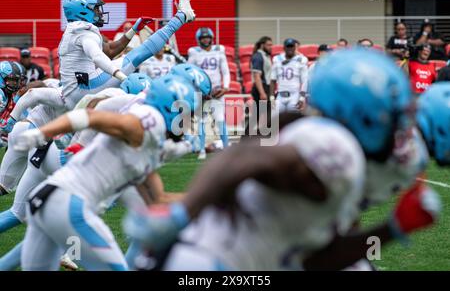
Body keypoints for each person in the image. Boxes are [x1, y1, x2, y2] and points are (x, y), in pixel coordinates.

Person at [124, 49, 439, 271]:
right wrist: (183, 211)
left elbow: (318, 260)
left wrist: (392, 228)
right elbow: (251, 159)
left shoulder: (315, 133)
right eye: (391, 112)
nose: (397, 124)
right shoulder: (337, 148)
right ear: (359, 112)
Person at [12, 74, 198, 271]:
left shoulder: (151, 145)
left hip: (45, 201)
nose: (190, 120)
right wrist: (42, 133)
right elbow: (91, 116)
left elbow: (158, 198)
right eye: (188, 114)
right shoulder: (151, 123)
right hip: (69, 204)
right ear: (172, 109)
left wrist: (213, 199)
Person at [59, 0, 194, 110]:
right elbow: (97, 57)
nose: (99, 12)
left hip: (73, 92)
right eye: (95, 8)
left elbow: (110, 50)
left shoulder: (73, 31)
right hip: (85, 88)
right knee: (139, 56)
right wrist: (122, 77)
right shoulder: (85, 32)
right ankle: (181, 16)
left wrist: (133, 30)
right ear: (83, 10)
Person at [187, 27, 230, 159]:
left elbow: (225, 71)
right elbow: (189, 74)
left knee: (221, 120)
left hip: (217, 91)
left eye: (207, 37)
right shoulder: (194, 53)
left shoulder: (219, 51)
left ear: (211, 38)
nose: (206, 40)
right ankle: (202, 150)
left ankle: (227, 149)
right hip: (201, 92)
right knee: (202, 121)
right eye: (203, 38)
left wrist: (226, 87)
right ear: (199, 40)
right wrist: (198, 90)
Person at [270, 38, 308, 113]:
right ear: (284, 48)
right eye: (288, 46)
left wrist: (302, 98)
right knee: (276, 120)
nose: (290, 48)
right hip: (280, 95)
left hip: (294, 95)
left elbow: (305, 81)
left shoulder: (301, 60)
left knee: (292, 120)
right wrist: (271, 97)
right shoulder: (277, 59)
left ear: (295, 47)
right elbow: (272, 80)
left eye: (292, 46)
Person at [247, 36, 273, 136]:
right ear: (262, 45)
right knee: (267, 115)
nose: (271, 47)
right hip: (260, 88)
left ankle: (248, 137)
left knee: (258, 115)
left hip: (264, 88)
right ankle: (263, 136)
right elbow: (257, 76)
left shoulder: (266, 56)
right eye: (268, 45)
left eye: (271, 45)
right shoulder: (258, 56)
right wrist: (262, 93)